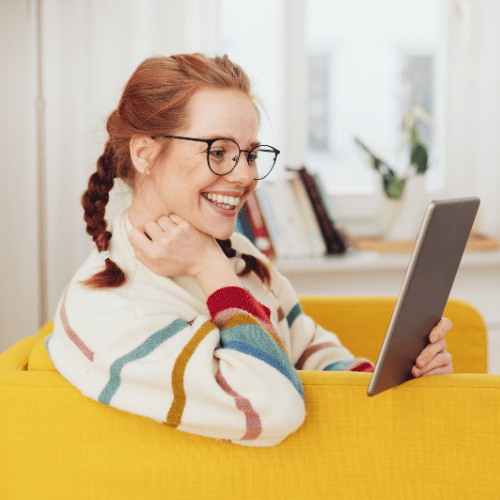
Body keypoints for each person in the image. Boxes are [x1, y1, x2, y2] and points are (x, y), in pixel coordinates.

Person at [46, 53, 453, 447]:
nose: (245, 176)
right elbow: (271, 408)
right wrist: (210, 268)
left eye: (251, 154)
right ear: (145, 152)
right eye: (218, 151)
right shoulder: (110, 310)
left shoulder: (239, 254)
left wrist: (395, 381)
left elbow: (304, 345)